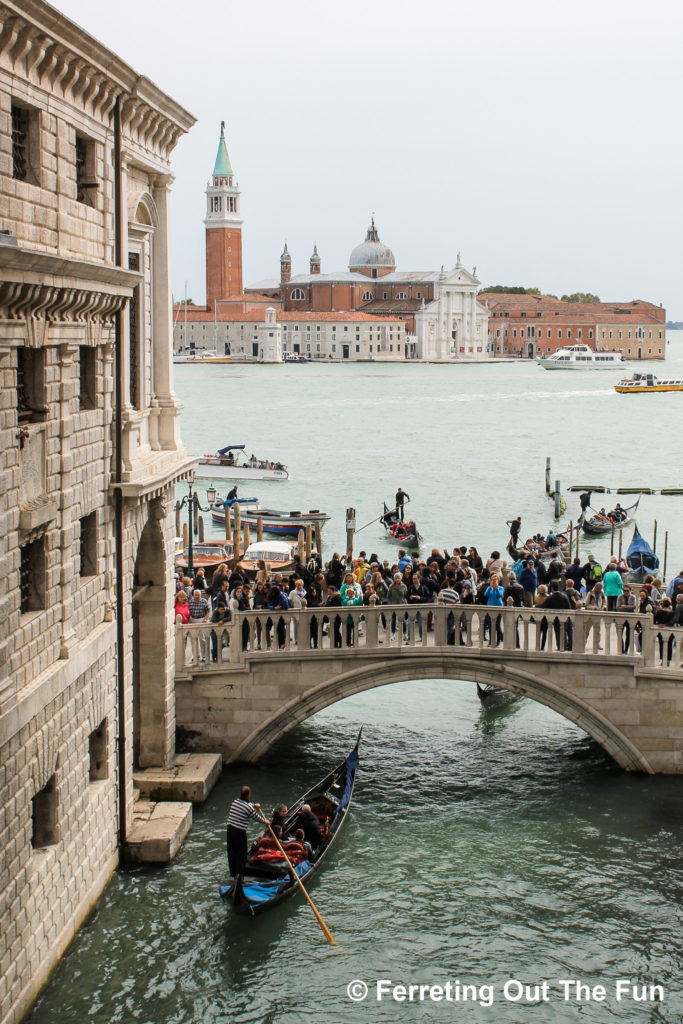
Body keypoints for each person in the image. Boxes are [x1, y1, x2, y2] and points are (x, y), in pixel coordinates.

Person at [226, 786, 262, 876]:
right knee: (241, 854)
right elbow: (257, 818)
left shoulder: (235, 802)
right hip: (239, 833)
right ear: (248, 795)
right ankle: (240, 876)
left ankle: (233, 874)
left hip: (230, 831)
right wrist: (265, 821)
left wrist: (254, 804)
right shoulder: (248, 808)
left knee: (232, 853)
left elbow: (247, 805)